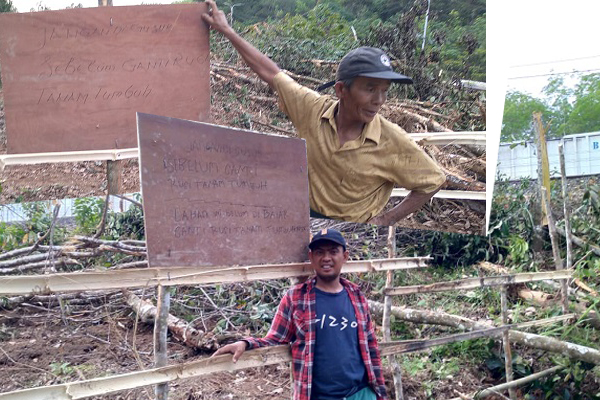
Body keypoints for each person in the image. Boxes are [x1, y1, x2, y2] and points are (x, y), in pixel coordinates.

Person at [201, 1, 445, 226]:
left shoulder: (392, 140)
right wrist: (227, 31)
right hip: (304, 220)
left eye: (384, 91)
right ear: (341, 90)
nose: (379, 100)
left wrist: (384, 221)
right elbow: (271, 73)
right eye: (370, 89)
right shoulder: (312, 110)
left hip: (353, 233)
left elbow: (433, 181)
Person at [212, 228, 387, 400]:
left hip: (361, 393)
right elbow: (275, 338)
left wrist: (379, 392)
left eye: (333, 252)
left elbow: (371, 346)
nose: (326, 258)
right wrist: (245, 343)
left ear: (345, 256)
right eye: (319, 252)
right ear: (311, 257)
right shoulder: (296, 298)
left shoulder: (356, 296)